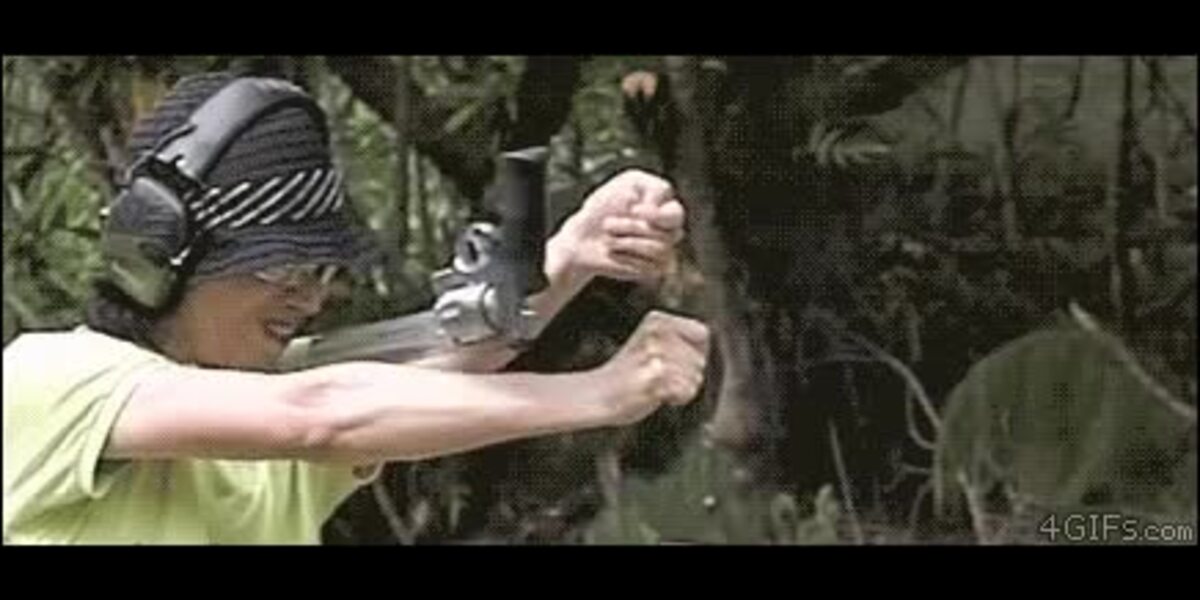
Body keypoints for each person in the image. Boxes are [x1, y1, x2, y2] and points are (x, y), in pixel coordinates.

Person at [2, 71, 710, 544]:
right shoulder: (54, 377)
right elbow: (323, 414)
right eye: (280, 267)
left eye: (319, 272)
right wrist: (603, 393)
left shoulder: (270, 415)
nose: (308, 297)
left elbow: (443, 367)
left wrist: (574, 257)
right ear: (161, 250)